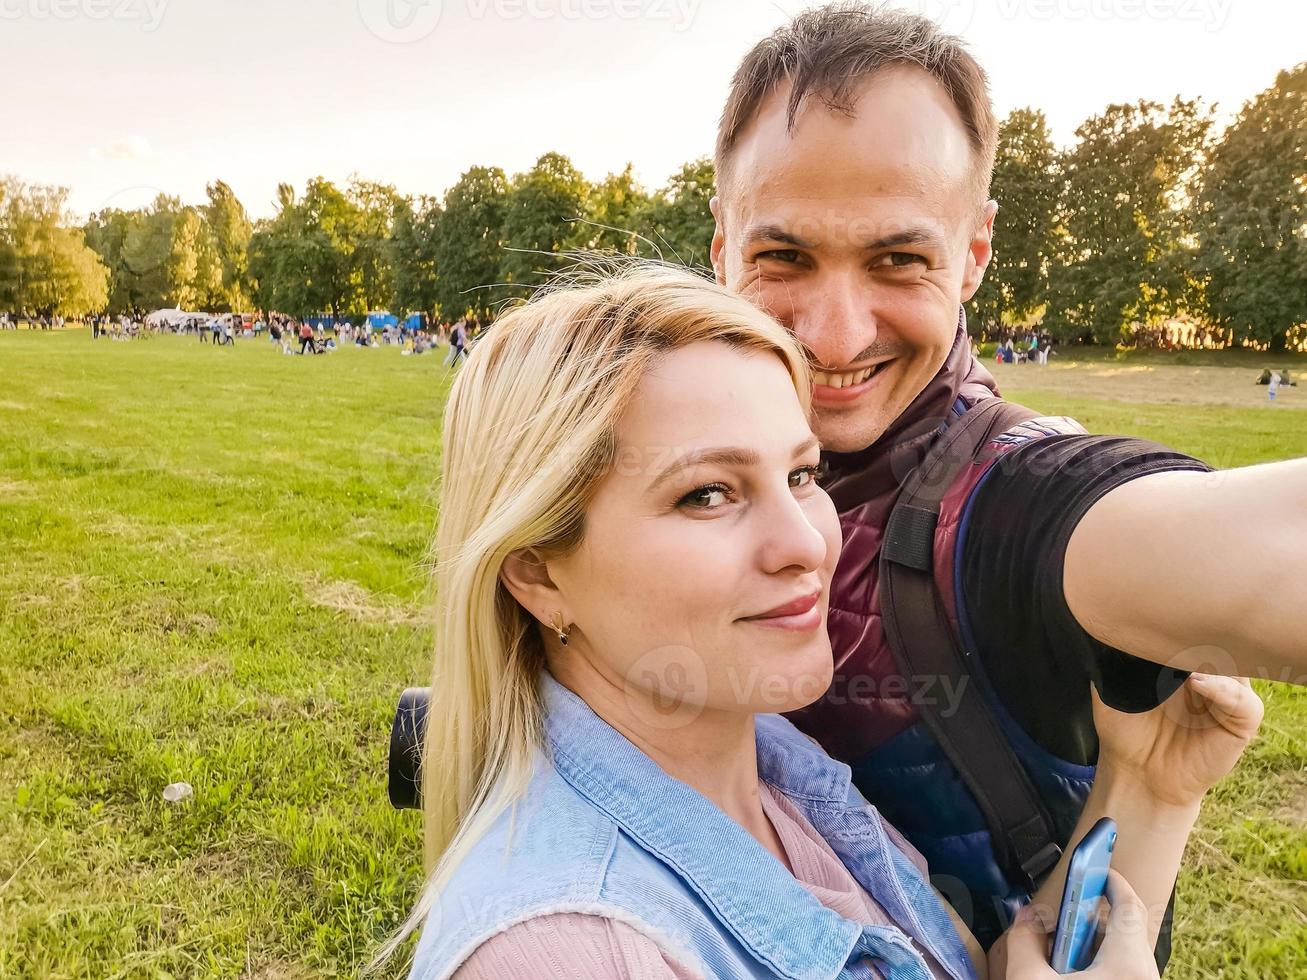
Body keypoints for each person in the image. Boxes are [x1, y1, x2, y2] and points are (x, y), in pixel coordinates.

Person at [395, 265, 1259, 980]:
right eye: (707, 493)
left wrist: (1146, 788)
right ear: (539, 575)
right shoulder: (572, 953)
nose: (805, 546)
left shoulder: (774, 763)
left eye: (802, 476)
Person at [708, 3, 1306, 960]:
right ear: (720, 247)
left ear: (974, 254)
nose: (831, 333)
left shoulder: (1012, 499)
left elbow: (1239, 543)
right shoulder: (647, 449)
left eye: (898, 260)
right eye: (783, 256)